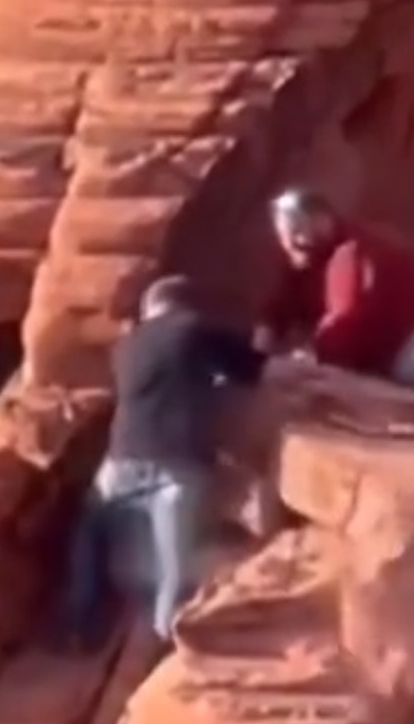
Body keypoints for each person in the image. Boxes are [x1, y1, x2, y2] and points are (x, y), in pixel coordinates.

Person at [60, 274, 266, 650]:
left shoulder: (125, 347)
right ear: (183, 305)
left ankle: (81, 618)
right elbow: (251, 370)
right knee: (172, 566)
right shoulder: (195, 329)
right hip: (180, 464)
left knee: (90, 528)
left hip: (122, 460)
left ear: (148, 310)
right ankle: (163, 640)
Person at [261, 188, 414, 389]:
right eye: (287, 233)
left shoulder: (351, 252)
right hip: (402, 333)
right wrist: (267, 331)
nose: (291, 240)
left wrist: (314, 357)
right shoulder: (308, 258)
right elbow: (286, 298)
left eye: (295, 231)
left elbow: (345, 316)